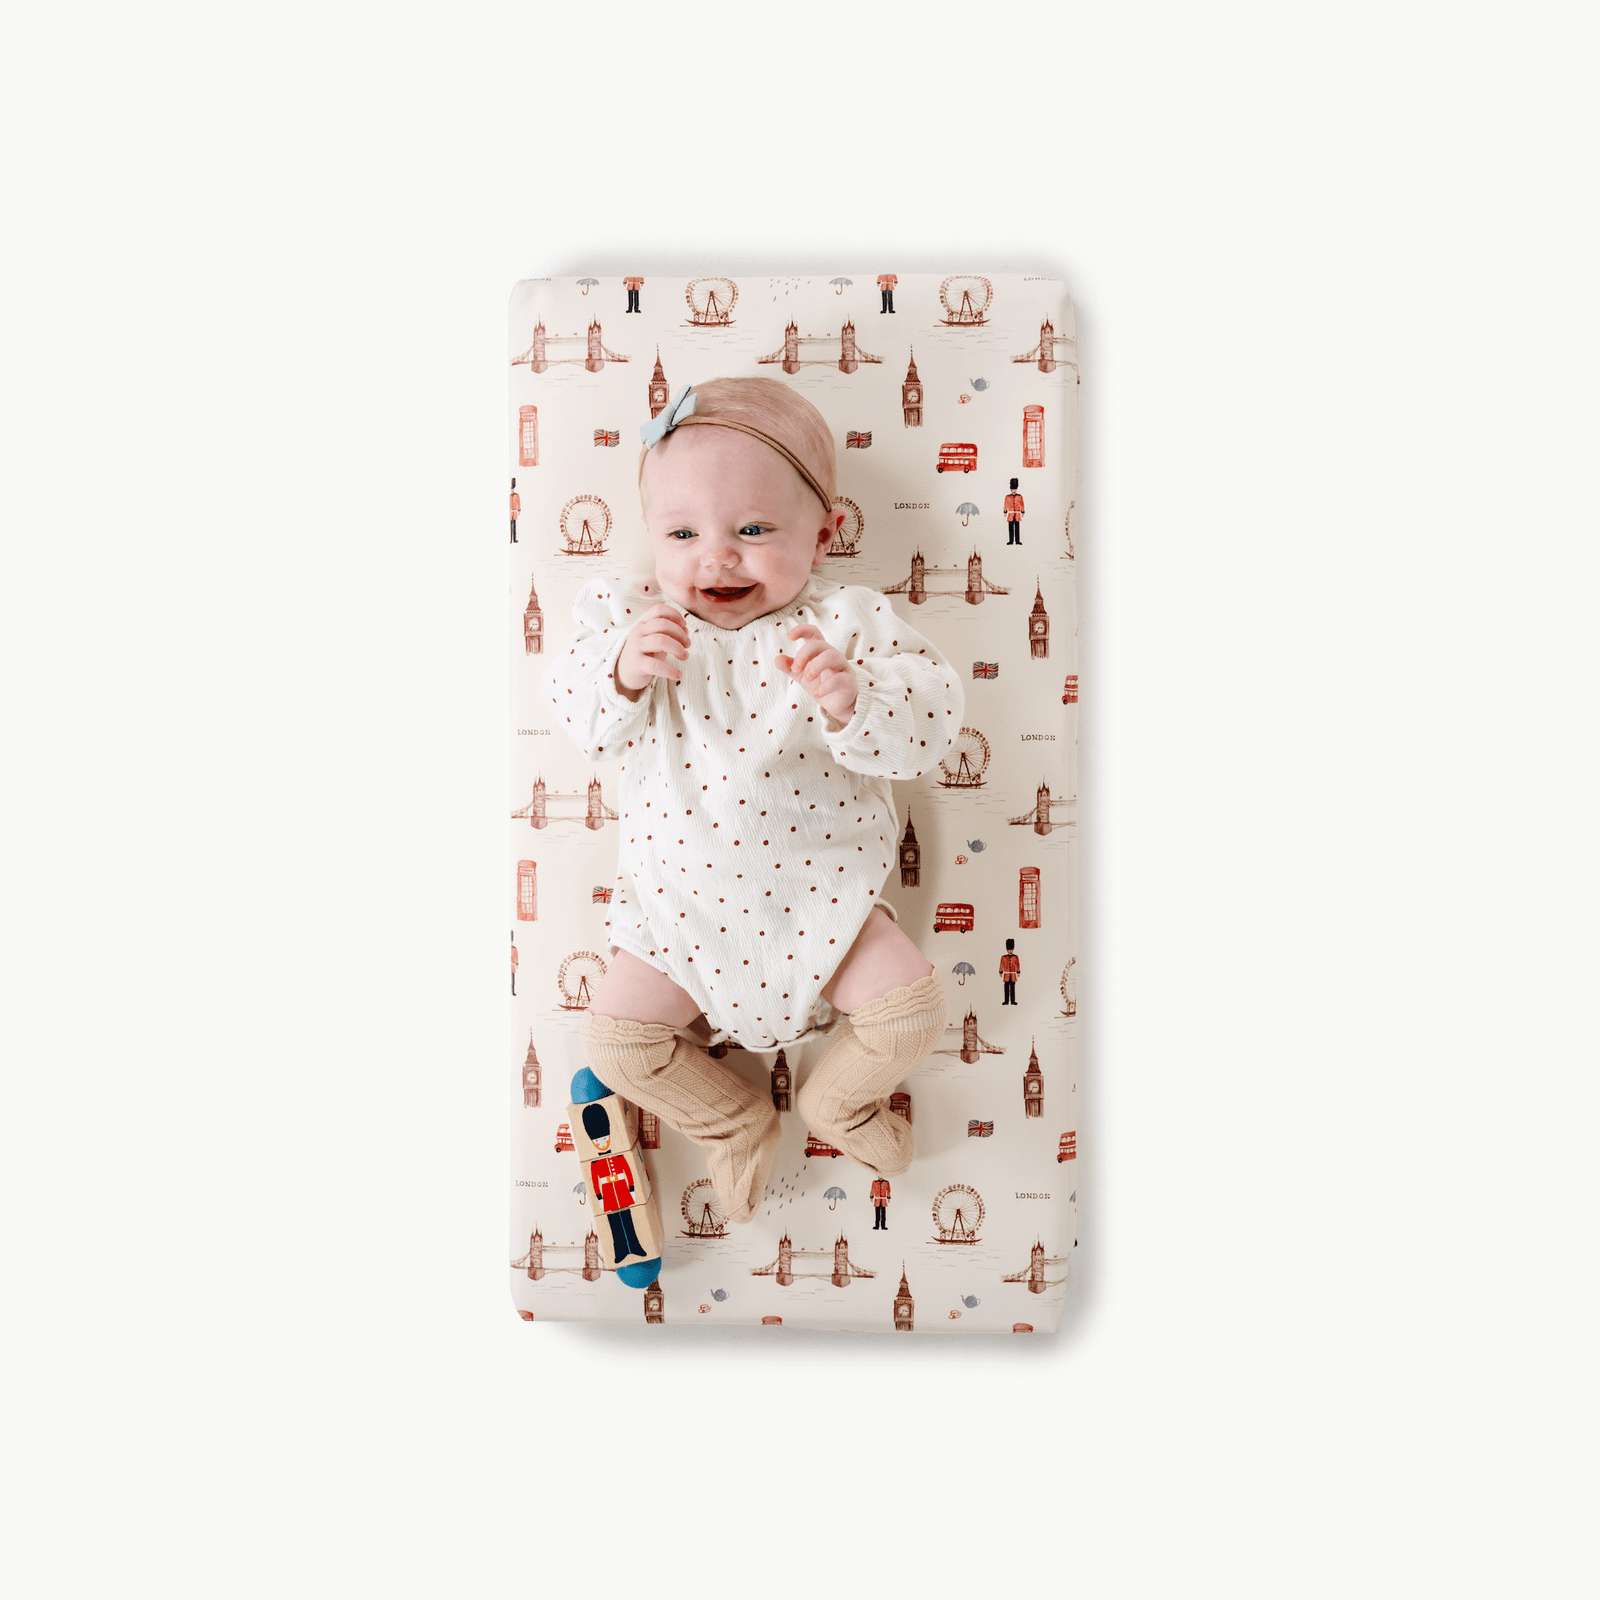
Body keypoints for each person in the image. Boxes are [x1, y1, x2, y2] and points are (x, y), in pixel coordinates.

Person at [542, 377, 964, 1224]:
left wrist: (857, 698)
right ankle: (730, 1118)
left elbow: (933, 720)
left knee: (910, 1006)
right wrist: (621, 671)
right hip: (678, 917)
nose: (717, 556)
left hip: (825, 903)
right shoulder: (634, 621)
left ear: (826, 532)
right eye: (683, 533)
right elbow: (577, 717)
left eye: (755, 530)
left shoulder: (845, 625)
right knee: (618, 1043)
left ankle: (836, 1104)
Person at [1004, 478, 1024, 544]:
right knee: (1010, 528)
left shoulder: (1019, 496)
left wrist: (1023, 511)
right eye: (1013, 489)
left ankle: (1017, 541)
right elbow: (1005, 504)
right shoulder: (1007, 497)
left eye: (1015, 489)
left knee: (1017, 528)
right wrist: (1005, 511)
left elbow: (1022, 504)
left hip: (1017, 515)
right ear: (1010, 489)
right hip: (1010, 515)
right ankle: (1011, 541)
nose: (1014, 490)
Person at [1000, 938, 1020, 1004]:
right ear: (1007, 950)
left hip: (1013, 975)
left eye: (1011, 949)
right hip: (1006, 975)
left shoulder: (1015, 957)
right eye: (1009, 950)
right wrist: (1000, 971)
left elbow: (1017, 965)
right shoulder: (1003, 957)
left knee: (1012, 989)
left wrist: (1018, 971)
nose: (1010, 951)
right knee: (1006, 989)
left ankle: (1012, 1001)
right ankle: (1006, 1001)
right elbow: (1001, 964)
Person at [510, 477, 520, 543]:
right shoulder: (510, 496)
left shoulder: (516, 495)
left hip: (514, 512)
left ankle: (514, 538)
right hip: (510, 513)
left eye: (513, 488)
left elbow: (518, 502)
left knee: (514, 526)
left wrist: (519, 510)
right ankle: (511, 539)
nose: (512, 490)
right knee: (511, 526)